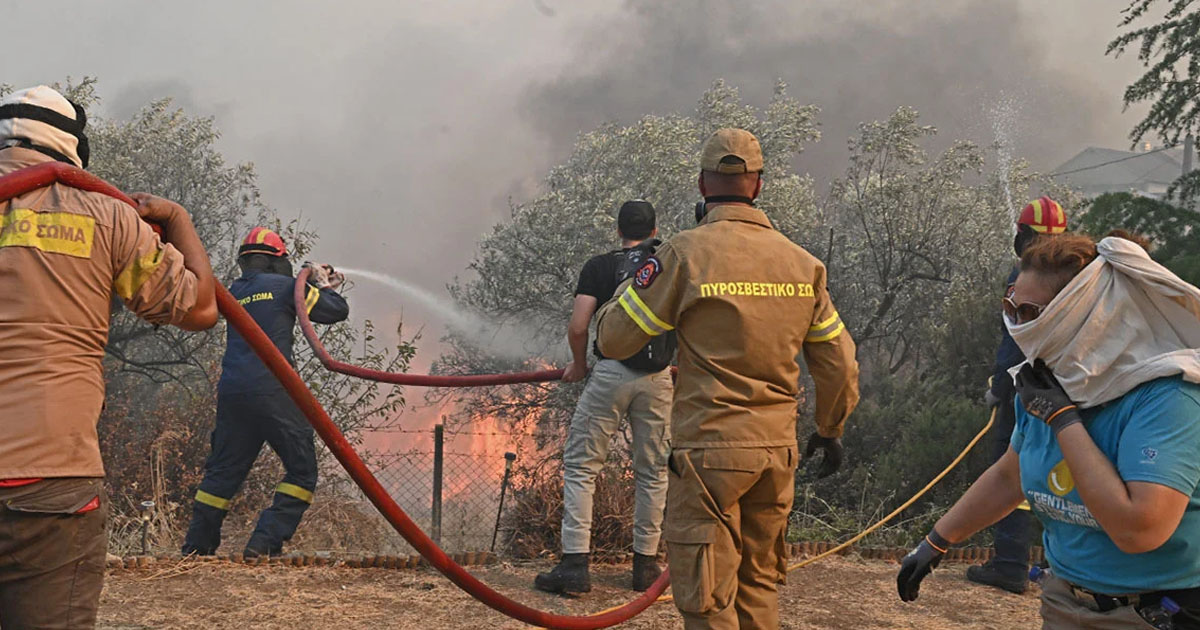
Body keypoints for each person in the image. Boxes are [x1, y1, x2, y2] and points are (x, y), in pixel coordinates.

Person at [596, 128, 860, 630]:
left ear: (701, 184)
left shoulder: (684, 254)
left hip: (709, 455)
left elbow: (614, 340)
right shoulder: (804, 265)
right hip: (775, 454)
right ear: (758, 186)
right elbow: (840, 365)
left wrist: (642, 274)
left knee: (708, 601)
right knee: (758, 588)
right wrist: (830, 429)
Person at [898, 234, 1200, 629]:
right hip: (1065, 600)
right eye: (1010, 307)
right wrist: (937, 541)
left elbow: (1138, 530)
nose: (1018, 324)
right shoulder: (1052, 378)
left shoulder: (1168, 397)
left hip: (1158, 611)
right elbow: (1011, 474)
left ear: (1082, 312)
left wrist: (1063, 421)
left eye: (1030, 311)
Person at [0, 85, 217, 630]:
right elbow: (200, 308)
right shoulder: (109, 218)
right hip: (49, 482)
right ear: (74, 149)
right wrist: (179, 220)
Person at [534, 200, 676, 595]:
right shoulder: (669, 264)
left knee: (582, 467)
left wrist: (578, 364)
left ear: (618, 230)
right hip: (660, 377)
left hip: (611, 372)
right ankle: (645, 567)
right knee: (653, 473)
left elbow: (580, 325)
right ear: (654, 229)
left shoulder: (599, 267)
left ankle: (575, 567)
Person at [182, 228, 348, 558]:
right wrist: (321, 282)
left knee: (222, 474)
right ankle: (263, 544)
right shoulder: (287, 287)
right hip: (275, 390)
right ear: (277, 261)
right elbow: (335, 311)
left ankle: (196, 550)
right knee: (302, 472)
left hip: (233, 393)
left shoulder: (232, 291)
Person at [969, 196, 1068, 595]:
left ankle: (1009, 564)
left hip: (1024, 391)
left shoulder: (1024, 277)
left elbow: (1014, 341)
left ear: (1024, 234)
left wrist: (997, 388)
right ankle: (1058, 568)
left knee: (1012, 474)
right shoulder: (1082, 272)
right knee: (1064, 477)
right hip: (1073, 394)